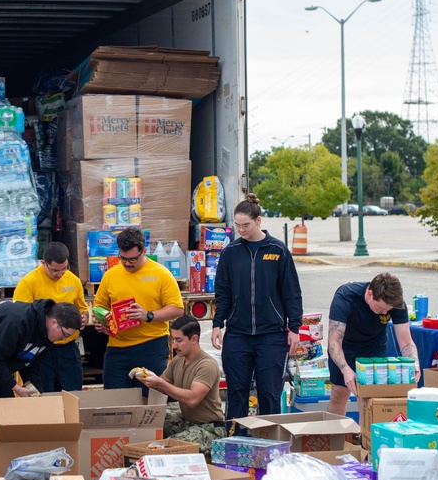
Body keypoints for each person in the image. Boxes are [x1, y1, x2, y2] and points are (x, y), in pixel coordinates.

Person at [211, 194, 302, 422]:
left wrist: (295, 328)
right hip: (238, 336)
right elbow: (223, 293)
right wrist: (216, 324)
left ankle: (271, 446)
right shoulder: (230, 253)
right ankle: (236, 445)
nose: (241, 230)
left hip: (271, 336)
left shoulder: (278, 250)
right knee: (237, 394)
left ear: (259, 221)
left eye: (246, 225)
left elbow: (291, 292)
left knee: (269, 394)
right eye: (237, 225)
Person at [0, 299, 82, 420]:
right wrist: (16, 387)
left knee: (6, 405)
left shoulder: (47, 336)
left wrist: (36, 394)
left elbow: (30, 365)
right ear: (54, 322)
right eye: (65, 334)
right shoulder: (17, 322)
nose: (64, 339)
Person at [93, 227, 184, 390]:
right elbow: (100, 306)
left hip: (150, 345)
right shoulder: (110, 275)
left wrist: (148, 315)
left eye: (133, 259)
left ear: (144, 251)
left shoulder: (161, 274)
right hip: (117, 348)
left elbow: (177, 309)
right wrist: (101, 321)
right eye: (123, 258)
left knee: (150, 398)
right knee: (115, 399)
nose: (127, 263)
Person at [327, 273, 421, 416]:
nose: (385, 312)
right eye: (382, 308)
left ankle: (368, 435)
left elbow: (406, 341)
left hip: (374, 345)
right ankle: (335, 436)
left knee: (369, 396)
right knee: (340, 392)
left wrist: (414, 363)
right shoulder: (346, 297)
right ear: (370, 294)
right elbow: (334, 342)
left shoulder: (395, 303)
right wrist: (346, 370)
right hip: (345, 346)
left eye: (388, 310)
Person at [135, 314, 225, 454]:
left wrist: (160, 384)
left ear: (194, 339)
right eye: (173, 339)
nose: (174, 345)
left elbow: (192, 399)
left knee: (168, 449)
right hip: (186, 421)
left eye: (179, 340)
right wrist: (148, 378)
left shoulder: (206, 365)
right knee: (146, 416)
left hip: (209, 428)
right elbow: (161, 382)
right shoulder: (179, 360)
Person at [12, 242, 89, 392]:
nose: (59, 274)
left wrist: (84, 317)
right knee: (44, 394)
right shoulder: (28, 283)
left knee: (72, 393)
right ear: (43, 263)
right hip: (41, 349)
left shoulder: (73, 280)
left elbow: (83, 309)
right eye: (55, 271)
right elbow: (20, 318)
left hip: (68, 349)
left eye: (64, 269)